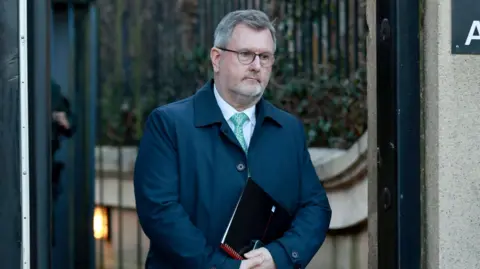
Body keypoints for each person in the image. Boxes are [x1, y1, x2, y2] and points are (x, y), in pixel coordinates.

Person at [133, 9, 332, 269]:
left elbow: (315, 206)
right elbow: (160, 211)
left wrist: (279, 256)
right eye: (246, 54)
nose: (257, 65)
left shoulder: (288, 130)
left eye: (265, 57)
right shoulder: (169, 124)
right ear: (216, 58)